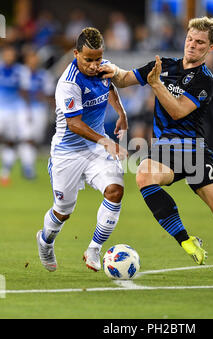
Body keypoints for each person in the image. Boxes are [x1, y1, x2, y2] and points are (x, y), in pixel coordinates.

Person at [99, 17, 213, 275]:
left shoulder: (205, 79)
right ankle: (186, 240)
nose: (192, 45)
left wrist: (156, 83)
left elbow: (178, 111)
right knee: (144, 175)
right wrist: (107, 68)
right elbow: (125, 79)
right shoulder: (164, 65)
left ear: (210, 48)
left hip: (193, 153)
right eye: (190, 39)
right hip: (164, 150)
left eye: (200, 42)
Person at [36, 27, 128, 273]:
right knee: (63, 212)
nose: (94, 65)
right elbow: (74, 124)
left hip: (96, 149)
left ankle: (94, 249)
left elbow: (109, 86)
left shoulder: (103, 67)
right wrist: (106, 141)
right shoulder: (68, 83)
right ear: (76, 53)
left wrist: (121, 111)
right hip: (68, 153)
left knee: (115, 190)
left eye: (98, 59)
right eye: (88, 59)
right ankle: (45, 241)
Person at [21, 49, 56, 179]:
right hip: (24, 109)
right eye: (31, 58)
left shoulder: (45, 75)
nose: (33, 61)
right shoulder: (21, 73)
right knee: (27, 137)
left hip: (40, 110)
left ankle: (28, 163)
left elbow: (48, 94)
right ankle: (28, 167)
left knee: (35, 138)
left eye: (35, 58)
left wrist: (50, 101)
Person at [0, 44, 31, 185]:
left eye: (11, 54)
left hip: (14, 111)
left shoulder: (21, 71)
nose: (9, 56)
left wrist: (27, 110)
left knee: (11, 141)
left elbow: (24, 92)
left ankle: (6, 172)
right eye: (7, 54)